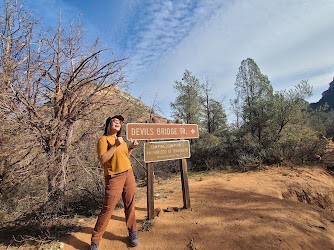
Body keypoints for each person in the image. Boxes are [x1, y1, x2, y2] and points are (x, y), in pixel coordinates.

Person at [89, 115, 140, 249]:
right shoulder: (103, 140)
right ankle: (95, 241)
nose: (118, 123)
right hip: (114, 177)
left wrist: (131, 147)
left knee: (130, 204)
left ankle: (133, 232)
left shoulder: (121, 140)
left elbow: (124, 156)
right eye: (115, 121)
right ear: (108, 124)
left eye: (120, 122)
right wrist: (115, 146)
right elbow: (102, 159)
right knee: (107, 209)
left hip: (128, 173)